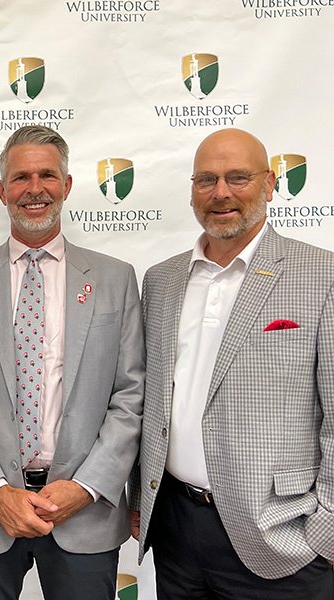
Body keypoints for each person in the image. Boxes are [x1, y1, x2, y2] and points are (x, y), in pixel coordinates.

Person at [0, 125, 145, 599]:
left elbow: (130, 395)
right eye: (21, 177)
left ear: (68, 186)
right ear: (1, 190)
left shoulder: (115, 279)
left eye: (47, 175)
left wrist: (86, 487)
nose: (35, 189)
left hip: (85, 512)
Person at [129, 128, 334, 599]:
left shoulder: (321, 276)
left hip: (281, 538)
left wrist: (323, 534)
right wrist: (142, 497)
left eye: (238, 177)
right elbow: (153, 402)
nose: (221, 192)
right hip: (176, 530)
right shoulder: (160, 281)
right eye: (206, 179)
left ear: (269, 183)